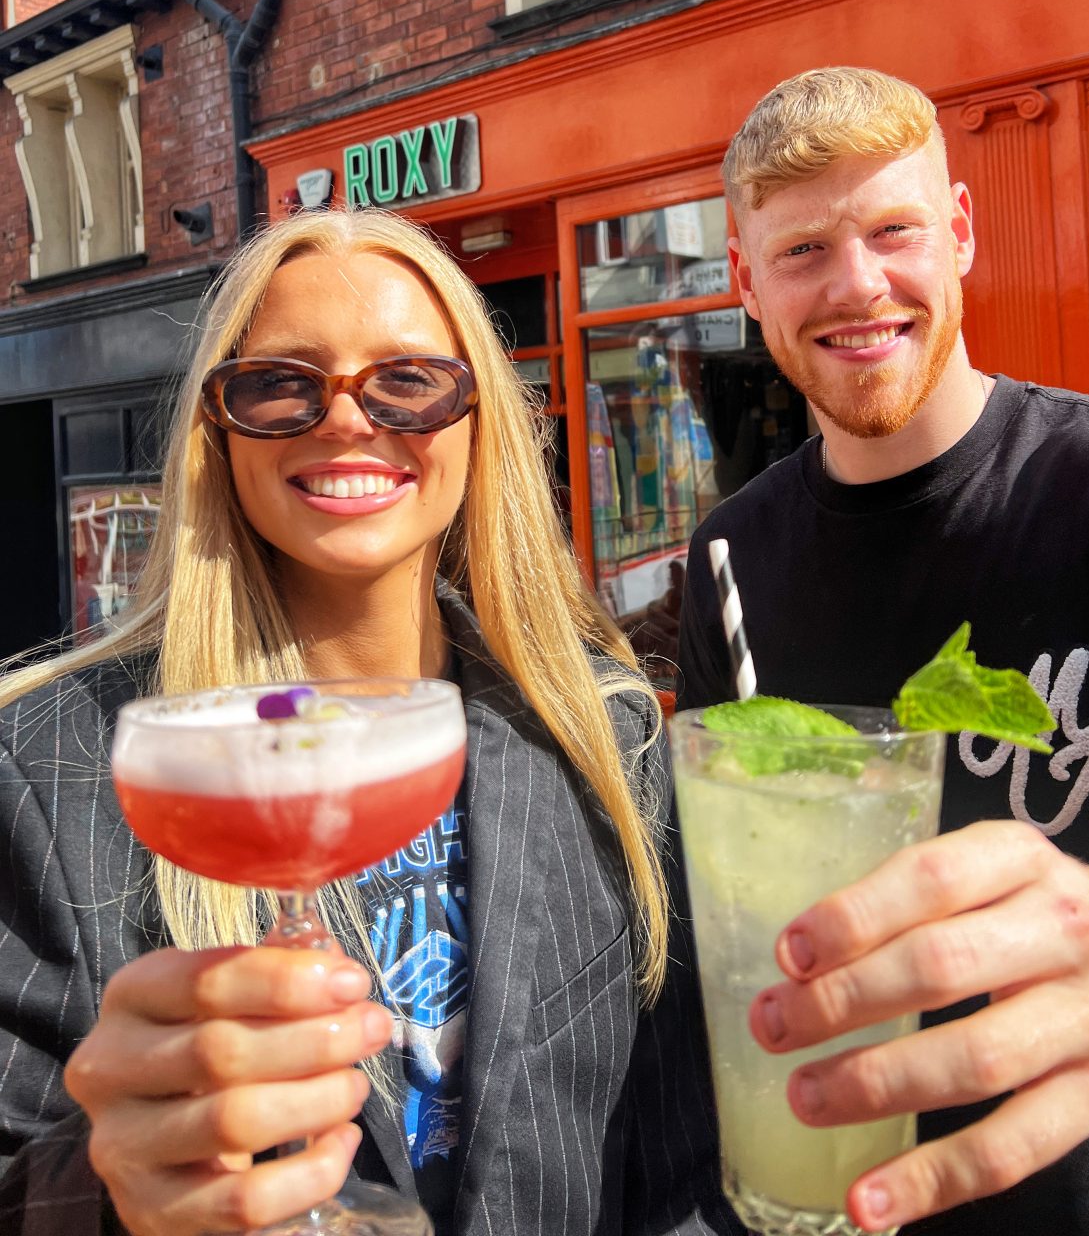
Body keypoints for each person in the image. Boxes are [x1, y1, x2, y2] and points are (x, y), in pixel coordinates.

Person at [0, 208, 740, 1236]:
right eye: (278, 384)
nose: (346, 419)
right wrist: (108, 1188)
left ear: (481, 422)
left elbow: (683, 1153)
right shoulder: (46, 765)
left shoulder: (604, 738)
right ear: (218, 432)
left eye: (409, 380)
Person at [676, 67, 1089, 1236]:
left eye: (893, 229)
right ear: (744, 279)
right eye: (804, 249)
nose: (858, 284)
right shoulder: (727, 564)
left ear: (958, 232)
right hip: (834, 1201)